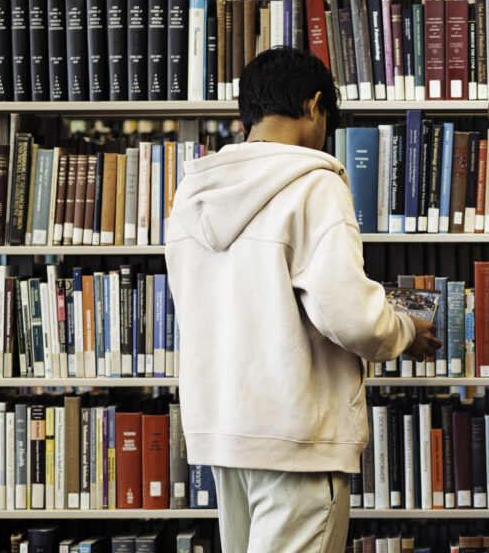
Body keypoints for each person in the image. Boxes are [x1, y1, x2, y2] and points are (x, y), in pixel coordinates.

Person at [165, 47, 441, 553]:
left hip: (226, 433)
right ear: (315, 106)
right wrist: (405, 329)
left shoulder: (190, 195)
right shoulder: (314, 184)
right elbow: (352, 316)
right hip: (300, 440)